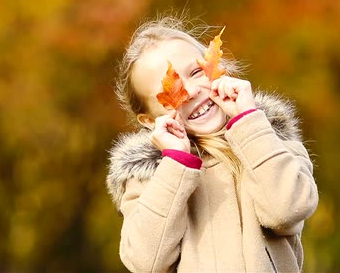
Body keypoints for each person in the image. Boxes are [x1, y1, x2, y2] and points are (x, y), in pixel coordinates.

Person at [106, 15, 318, 272]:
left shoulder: (270, 143)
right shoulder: (148, 180)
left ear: (218, 67)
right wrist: (175, 165)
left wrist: (249, 123)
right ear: (150, 120)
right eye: (170, 89)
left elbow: (288, 210)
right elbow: (145, 262)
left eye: (196, 72)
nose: (192, 91)